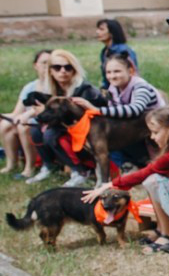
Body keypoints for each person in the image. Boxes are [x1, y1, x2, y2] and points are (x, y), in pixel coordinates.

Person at [84, 105, 169, 255]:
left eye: (155, 132)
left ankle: (167, 233)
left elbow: (145, 173)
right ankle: (161, 229)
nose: (152, 137)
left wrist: (107, 185)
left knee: (153, 179)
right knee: (157, 178)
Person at [28, 49, 108, 187]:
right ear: (50, 71)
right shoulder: (52, 88)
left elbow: (86, 118)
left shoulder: (85, 89)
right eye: (57, 67)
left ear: (74, 70)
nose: (63, 71)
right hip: (69, 128)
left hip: (92, 132)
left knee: (50, 134)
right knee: (34, 129)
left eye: (68, 67)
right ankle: (48, 166)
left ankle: (81, 172)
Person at [71, 52, 164, 169]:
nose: (112, 76)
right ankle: (127, 164)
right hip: (136, 127)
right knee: (107, 137)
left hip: (155, 127)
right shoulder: (114, 88)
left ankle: (147, 163)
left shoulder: (140, 87)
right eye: (108, 72)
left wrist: (97, 110)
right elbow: (113, 112)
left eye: (117, 71)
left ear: (130, 71)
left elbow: (135, 110)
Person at [1, 49, 51, 178]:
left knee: (23, 127)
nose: (47, 66)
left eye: (50, 63)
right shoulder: (30, 87)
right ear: (35, 65)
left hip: (42, 123)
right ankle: (11, 164)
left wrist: (27, 116)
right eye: (43, 63)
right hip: (25, 121)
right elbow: (16, 113)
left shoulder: (53, 86)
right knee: (5, 125)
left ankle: (30, 167)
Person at [95, 19, 138, 89]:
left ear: (112, 32)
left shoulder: (123, 51)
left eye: (101, 29)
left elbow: (133, 74)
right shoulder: (104, 51)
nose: (97, 32)